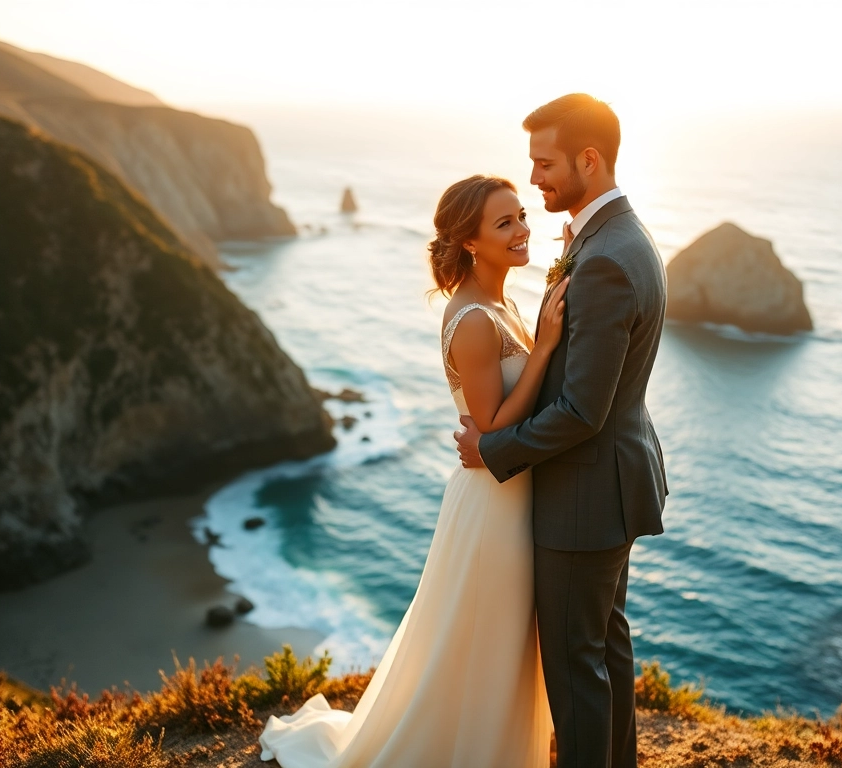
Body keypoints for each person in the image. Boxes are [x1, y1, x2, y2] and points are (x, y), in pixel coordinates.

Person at [258, 174, 568, 766]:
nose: (522, 230)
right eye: (504, 223)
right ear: (470, 241)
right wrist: (547, 348)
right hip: (493, 504)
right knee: (491, 638)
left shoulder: (502, 305)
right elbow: (492, 427)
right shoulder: (474, 320)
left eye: (522, 216)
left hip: (514, 492)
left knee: (499, 641)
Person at [455, 93, 669, 768]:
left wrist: (492, 449)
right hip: (612, 484)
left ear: (589, 160)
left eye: (545, 164)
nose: (535, 178)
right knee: (604, 650)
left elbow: (582, 411)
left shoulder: (602, 258)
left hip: (583, 497)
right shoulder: (617, 237)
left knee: (577, 670)